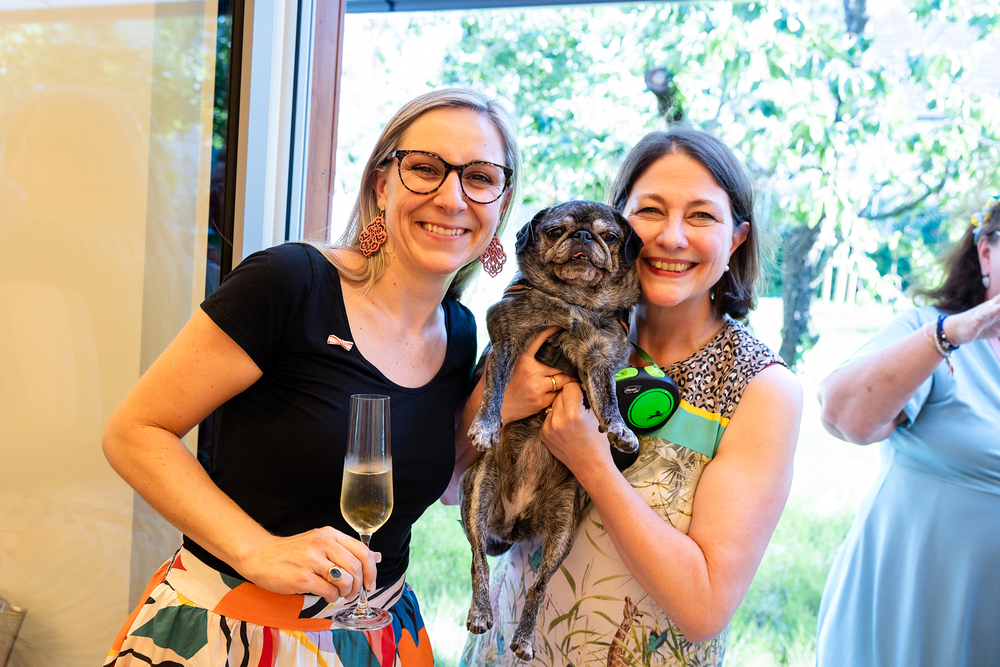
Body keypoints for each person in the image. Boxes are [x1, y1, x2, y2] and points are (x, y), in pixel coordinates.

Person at [101, 87, 522, 666]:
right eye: (426, 169)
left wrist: (505, 402)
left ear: (501, 202)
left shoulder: (461, 332)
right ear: (382, 185)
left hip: (379, 637)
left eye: (479, 178)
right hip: (233, 632)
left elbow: (443, 484)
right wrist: (256, 550)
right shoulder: (290, 283)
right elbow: (134, 432)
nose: (451, 198)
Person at [457, 129, 802, 667]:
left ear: (736, 239)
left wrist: (594, 466)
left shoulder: (760, 388)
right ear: (618, 221)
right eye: (650, 210)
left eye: (701, 216)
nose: (671, 237)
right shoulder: (543, 328)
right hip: (500, 650)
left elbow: (704, 609)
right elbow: (451, 489)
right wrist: (500, 404)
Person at [815, 197, 1000, 667]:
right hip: (915, 608)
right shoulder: (933, 333)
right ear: (986, 253)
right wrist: (951, 335)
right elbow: (842, 415)